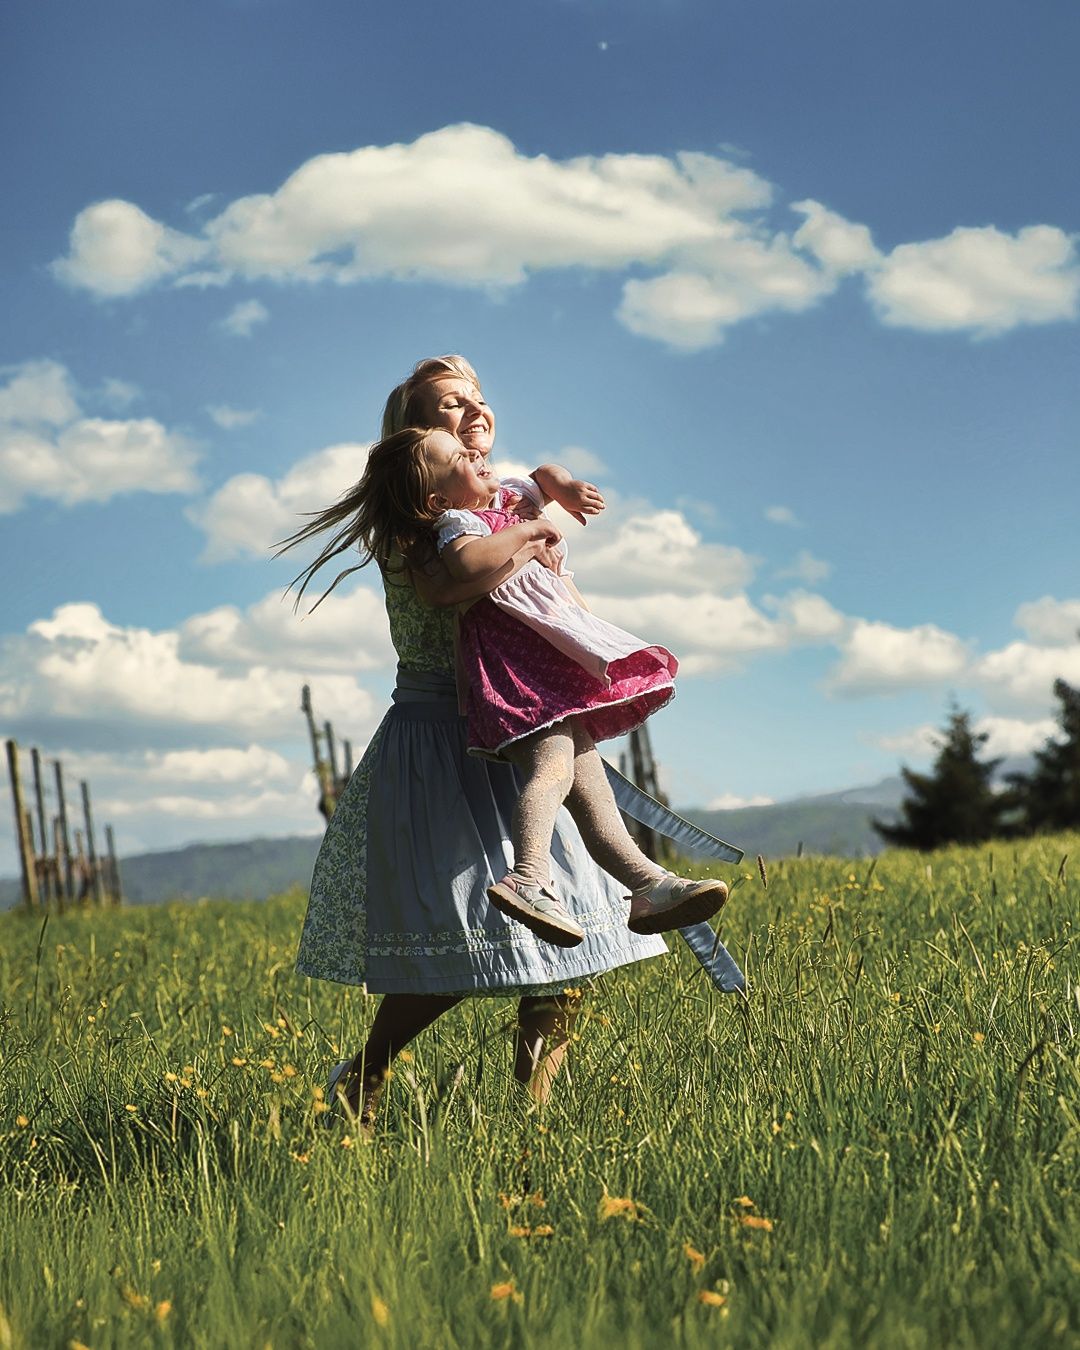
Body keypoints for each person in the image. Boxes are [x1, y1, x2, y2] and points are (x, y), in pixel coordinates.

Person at [283, 356, 676, 1128]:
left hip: (531, 731)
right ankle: (362, 1077)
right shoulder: (418, 529)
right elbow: (456, 582)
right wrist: (533, 529)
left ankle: (532, 1114)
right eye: (446, 408)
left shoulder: (497, 504)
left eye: (478, 400)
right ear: (413, 444)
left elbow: (556, 610)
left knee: (567, 945)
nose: (471, 413)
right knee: (458, 937)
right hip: (445, 739)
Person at [365, 424, 731, 948]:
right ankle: (529, 878)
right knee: (553, 768)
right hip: (517, 678)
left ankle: (650, 887)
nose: (474, 453)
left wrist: (565, 487)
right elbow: (468, 562)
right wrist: (526, 534)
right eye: (458, 460)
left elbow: (542, 476)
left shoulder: (510, 496)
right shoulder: (458, 522)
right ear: (438, 497)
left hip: (551, 677)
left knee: (596, 799)